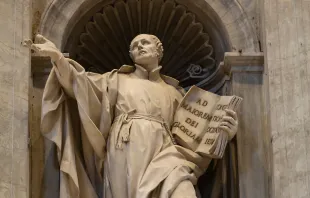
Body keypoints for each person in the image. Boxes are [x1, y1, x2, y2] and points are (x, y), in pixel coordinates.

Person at [23, 34, 238, 198]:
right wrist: (58, 59)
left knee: (181, 187)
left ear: (159, 50)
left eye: (145, 43)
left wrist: (222, 134)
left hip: (165, 152)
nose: (139, 47)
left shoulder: (177, 93)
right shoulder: (115, 80)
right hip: (124, 147)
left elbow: (193, 140)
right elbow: (81, 86)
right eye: (134, 46)